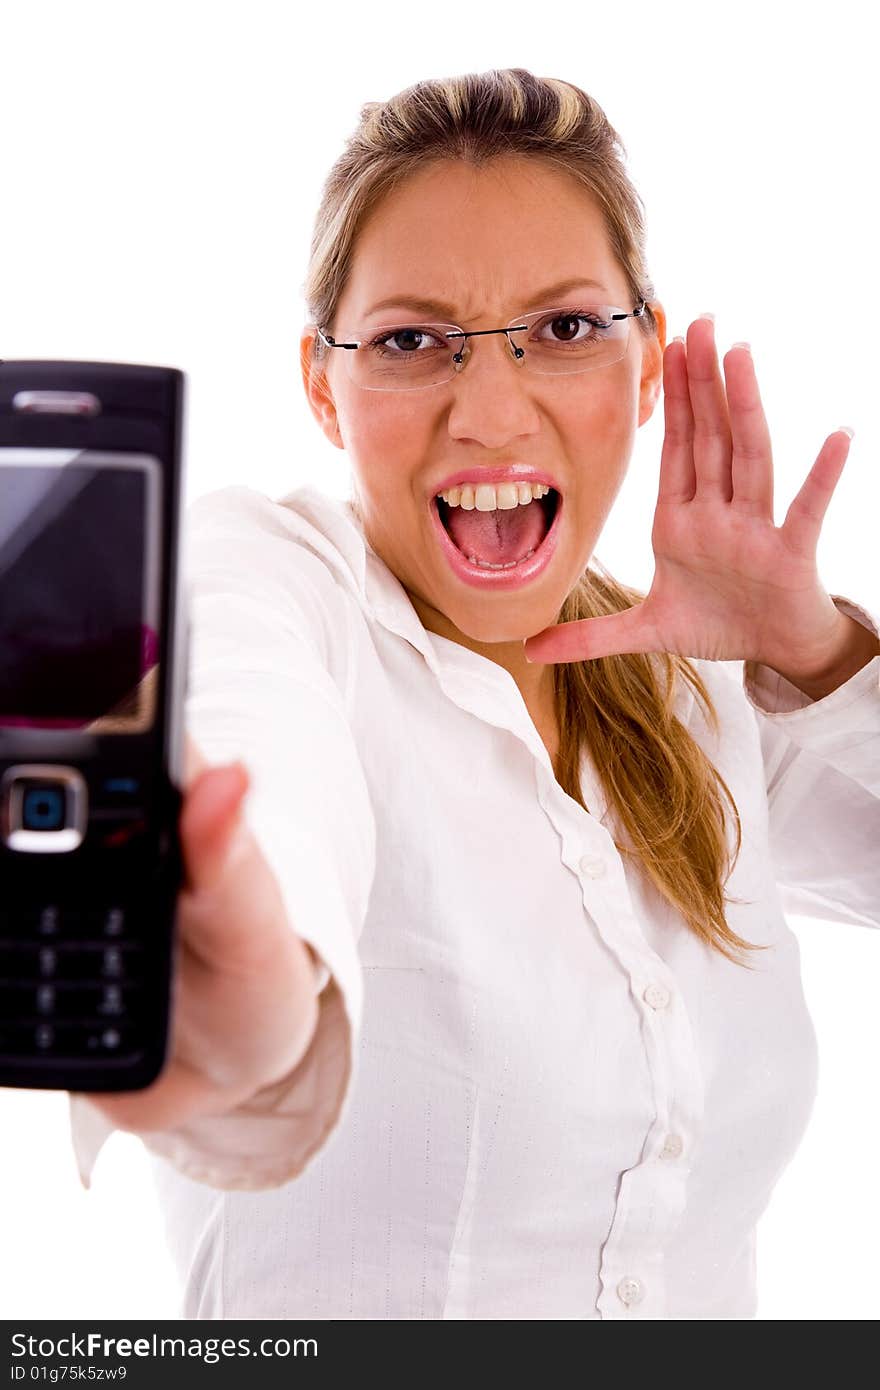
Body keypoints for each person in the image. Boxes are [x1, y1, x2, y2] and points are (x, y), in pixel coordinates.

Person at [68, 67, 880, 1320]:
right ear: (321, 386)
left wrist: (815, 656)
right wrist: (250, 981)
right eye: (408, 342)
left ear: (648, 365)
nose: (491, 412)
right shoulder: (273, 584)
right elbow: (260, 759)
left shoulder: (692, 671)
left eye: (564, 329)